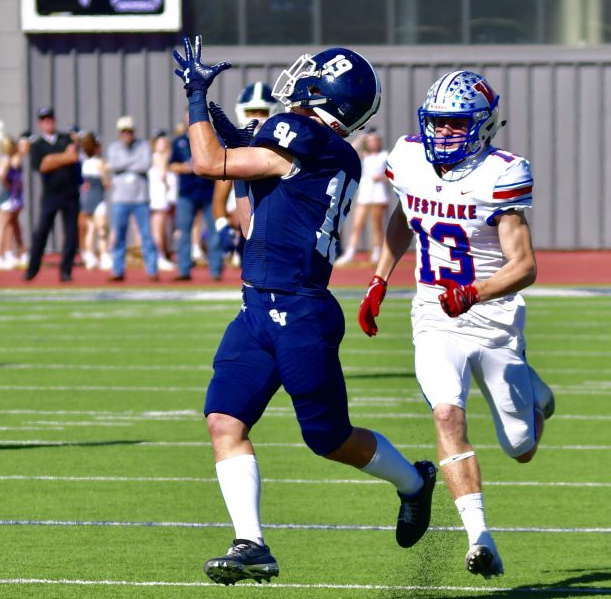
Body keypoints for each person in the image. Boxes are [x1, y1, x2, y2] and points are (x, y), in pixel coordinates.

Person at [173, 36, 437, 586]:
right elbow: (251, 190)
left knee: (328, 439)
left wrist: (197, 98)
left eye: (311, 78)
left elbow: (207, 162)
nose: (296, 80)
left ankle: (414, 481)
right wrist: (226, 128)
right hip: (256, 305)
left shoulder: (309, 140)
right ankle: (251, 543)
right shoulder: (315, 148)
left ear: (326, 95)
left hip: (300, 311)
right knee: (224, 420)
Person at [356, 69, 555, 580]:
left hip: (493, 317)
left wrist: (474, 293)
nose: (443, 133)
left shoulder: (500, 174)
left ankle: (533, 391)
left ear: (483, 125)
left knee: (522, 449)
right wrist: (380, 279)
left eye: (455, 123)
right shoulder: (407, 158)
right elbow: (403, 215)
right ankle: (479, 537)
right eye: (437, 123)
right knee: (447, 415)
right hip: (433, 313)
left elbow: (525, 266)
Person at [211, 82, 276, 265]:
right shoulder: (234, 149)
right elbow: (219, 199)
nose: (256, 118)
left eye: (262, 112)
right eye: (251, 112)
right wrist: (223, 227)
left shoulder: (283, 146)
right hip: (246, 226)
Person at [24, 107, 80, 283]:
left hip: (70, 193)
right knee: (41, 232)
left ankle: (66, 271)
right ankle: (32, 269)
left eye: (50, 118)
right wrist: (62, 157)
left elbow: (73, 158)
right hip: (51, 194)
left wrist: (53, 159)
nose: (47, 122)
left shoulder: (65, 138)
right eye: (44, 119)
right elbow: (42, 166)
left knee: (71, 234)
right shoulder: (37, 145)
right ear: (40, 123)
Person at [168, 109, 223, 282]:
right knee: (183, 232)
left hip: (209, 192)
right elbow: (171, 165)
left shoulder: (213, 139)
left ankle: (216, 270)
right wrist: (186, 168)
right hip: (187, 192)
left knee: (214, 232)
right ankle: (184, 269)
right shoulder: (179, 142)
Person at [105, 116, 160, 282]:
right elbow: (114, 165)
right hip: (120, 198)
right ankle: (117, 270)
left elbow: (145, 164)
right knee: (119, 236)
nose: (126, 135)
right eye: (123, 132)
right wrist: (131, 163)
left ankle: (152, 270)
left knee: (146, 235)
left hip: (140, 198)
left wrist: (125, 164)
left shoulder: (142, 145)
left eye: (129, 131)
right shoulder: (114, 148)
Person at [336, 129, 389, 266]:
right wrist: (361, 138)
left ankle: (377, 253)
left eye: (374, 141)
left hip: (379, 195)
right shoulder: (364, 155)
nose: (372, 143)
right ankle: (350, 253)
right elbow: (350, 150)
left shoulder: (384, 155)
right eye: (370, 141)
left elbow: (390, 175)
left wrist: (382, 177)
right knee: (357, 225)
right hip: (364, 195)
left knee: (377, 225)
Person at [78, 131, 110, 271]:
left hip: (93, 197)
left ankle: (96, 255)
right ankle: (97, 255)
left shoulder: (87, 163)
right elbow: (106, 183)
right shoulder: (96, 163)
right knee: (97, 227)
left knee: (96, 227)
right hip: (94, 197)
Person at [0, 133, 27, 270]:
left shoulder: (8, 158)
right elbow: (2, 175)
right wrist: (9, 185)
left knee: (12, 226)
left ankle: (8, 253)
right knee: (3, 226)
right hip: (7, 197)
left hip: (11, 196)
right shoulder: (6, 159)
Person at [148, 130, 176, 273]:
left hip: (164, 197)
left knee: (165, 230)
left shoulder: (165, 157)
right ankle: (158, 257)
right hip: (158, 197)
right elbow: (163, 175)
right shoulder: (158, 157)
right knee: (157, 230)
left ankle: (162, 255)